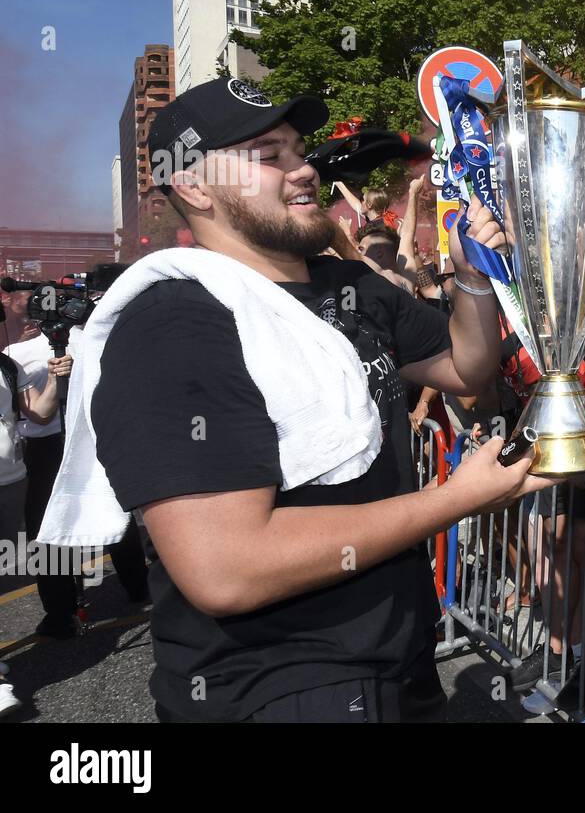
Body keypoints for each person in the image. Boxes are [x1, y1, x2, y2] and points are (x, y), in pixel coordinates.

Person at [69, 77, 552, 723]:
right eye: (268, 157)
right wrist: (454, 500)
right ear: (192, 186)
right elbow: (226, 567)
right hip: (278, 687)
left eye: (299, 149)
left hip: (401, 658)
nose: (305, 171)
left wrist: (470, 274)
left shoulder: (349, 283)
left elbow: (465, 366)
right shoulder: (175, 324)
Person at [5, 268, 151, 638]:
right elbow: (36, 410)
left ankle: (64, 611)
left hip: (75, 437)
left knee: (57, 523)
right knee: (95, 510)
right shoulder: (17, 355)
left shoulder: (30, 351)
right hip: (51, 444)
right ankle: (125, 591)